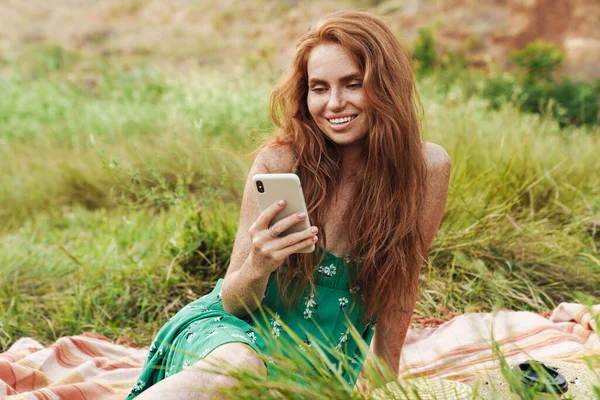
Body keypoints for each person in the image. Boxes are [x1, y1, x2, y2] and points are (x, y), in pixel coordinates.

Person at [127, 10, 450, 399]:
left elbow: (400, 288)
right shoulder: (281, 163)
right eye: (319, 88)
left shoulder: (426, 169)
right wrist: (259, 264)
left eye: (352, 84)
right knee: (241, 370)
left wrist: (384, 383)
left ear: (386, 85)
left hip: (321, 360)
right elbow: (234, 300)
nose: (334, 103)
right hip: (233, 336)